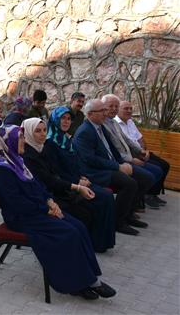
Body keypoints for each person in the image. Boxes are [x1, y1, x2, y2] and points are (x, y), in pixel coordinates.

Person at [0, 125, 116, 300]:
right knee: (68, 233)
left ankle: (88, 278)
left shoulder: (16, 160)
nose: (24, 141)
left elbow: (37, 185)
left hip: (36, 209)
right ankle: (77, 284)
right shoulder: (0, 168)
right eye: (21, 138)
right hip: (21, 217)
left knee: (78, 226)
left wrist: (50, 201)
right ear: (7, 141)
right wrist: (46, 209)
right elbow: (16, 202)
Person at [21, 117, 115, 253]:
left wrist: (76, 181)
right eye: (37, 131)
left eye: (44, 130)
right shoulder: (28, 155)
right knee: (85, 211)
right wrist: (76, 186)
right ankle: (85, 248)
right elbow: (47, 179)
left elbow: (58, 170)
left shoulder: (44, 147)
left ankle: (94, 245)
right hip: (47, 197)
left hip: (58, 189)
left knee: (94, 203)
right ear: (28, 133)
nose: (42, 134)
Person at [73, 99, 152, 236]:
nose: (106, 113)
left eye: (105, 109)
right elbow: (90, 160)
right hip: (95, 172)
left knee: (145, 178)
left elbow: (113, 149)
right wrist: (118, 166)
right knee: (130, 184)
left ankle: (128, 214)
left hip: (110, 166)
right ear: (90, 114)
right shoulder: (85, 132)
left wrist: (122, 163)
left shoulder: (100, 126)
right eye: (102, 110)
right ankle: (118, 222)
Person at [44, 107, 117, 251]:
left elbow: (74, 164)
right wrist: (77, 182)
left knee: (106, 196)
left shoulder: (65, 138)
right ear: (55, 120)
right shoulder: (50, 143)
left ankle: (100, 242)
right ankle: (96, 243)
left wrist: (81, 177)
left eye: (68, 119)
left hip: (77, 181)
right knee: (104, 197)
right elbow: (56, 172)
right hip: (66, 188)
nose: (66, 121)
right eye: (62, 118)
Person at [101, 95, 163, 210]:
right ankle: (127, 210)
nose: (114, 109)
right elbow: (112, 149)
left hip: (127, 157)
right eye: (111, 106)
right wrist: (130, 160)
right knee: (145, 178)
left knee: (158, 170)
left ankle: (132, 206)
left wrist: (140, 151)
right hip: (117, 162)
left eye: (116, 106)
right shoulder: (102, 124)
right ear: (102, 107)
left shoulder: (113, 122)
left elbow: (127, 140)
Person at [115, 100, 169, 207]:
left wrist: (144, 151)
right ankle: (147, 195)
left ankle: (152, 193)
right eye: (126, 108)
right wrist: (137, 155)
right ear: (118, 110)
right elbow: (124, 146)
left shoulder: (130, 122)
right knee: (157, 169)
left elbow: (140, 139)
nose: (129, 111)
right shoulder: (115, 124)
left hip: (140, 152)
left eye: (131, 108)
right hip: (131, 155)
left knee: (165, 165)